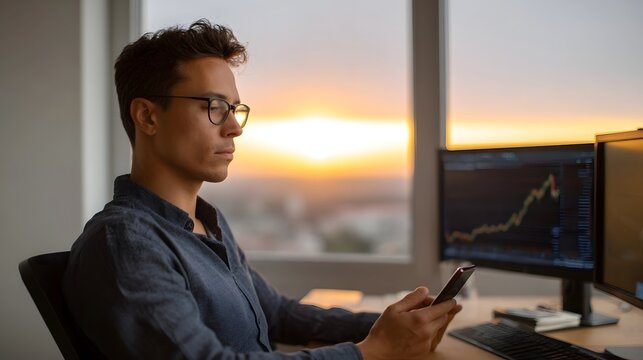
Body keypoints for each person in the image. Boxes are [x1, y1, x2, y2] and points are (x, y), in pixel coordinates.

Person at [63, 19, 462, 359]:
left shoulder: (206, 224)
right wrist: (368, 352)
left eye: (234, 110)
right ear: (147, 116)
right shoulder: (126, 243)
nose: (234, 127)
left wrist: (396, 324)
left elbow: (278, 314)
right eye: (213, 106)